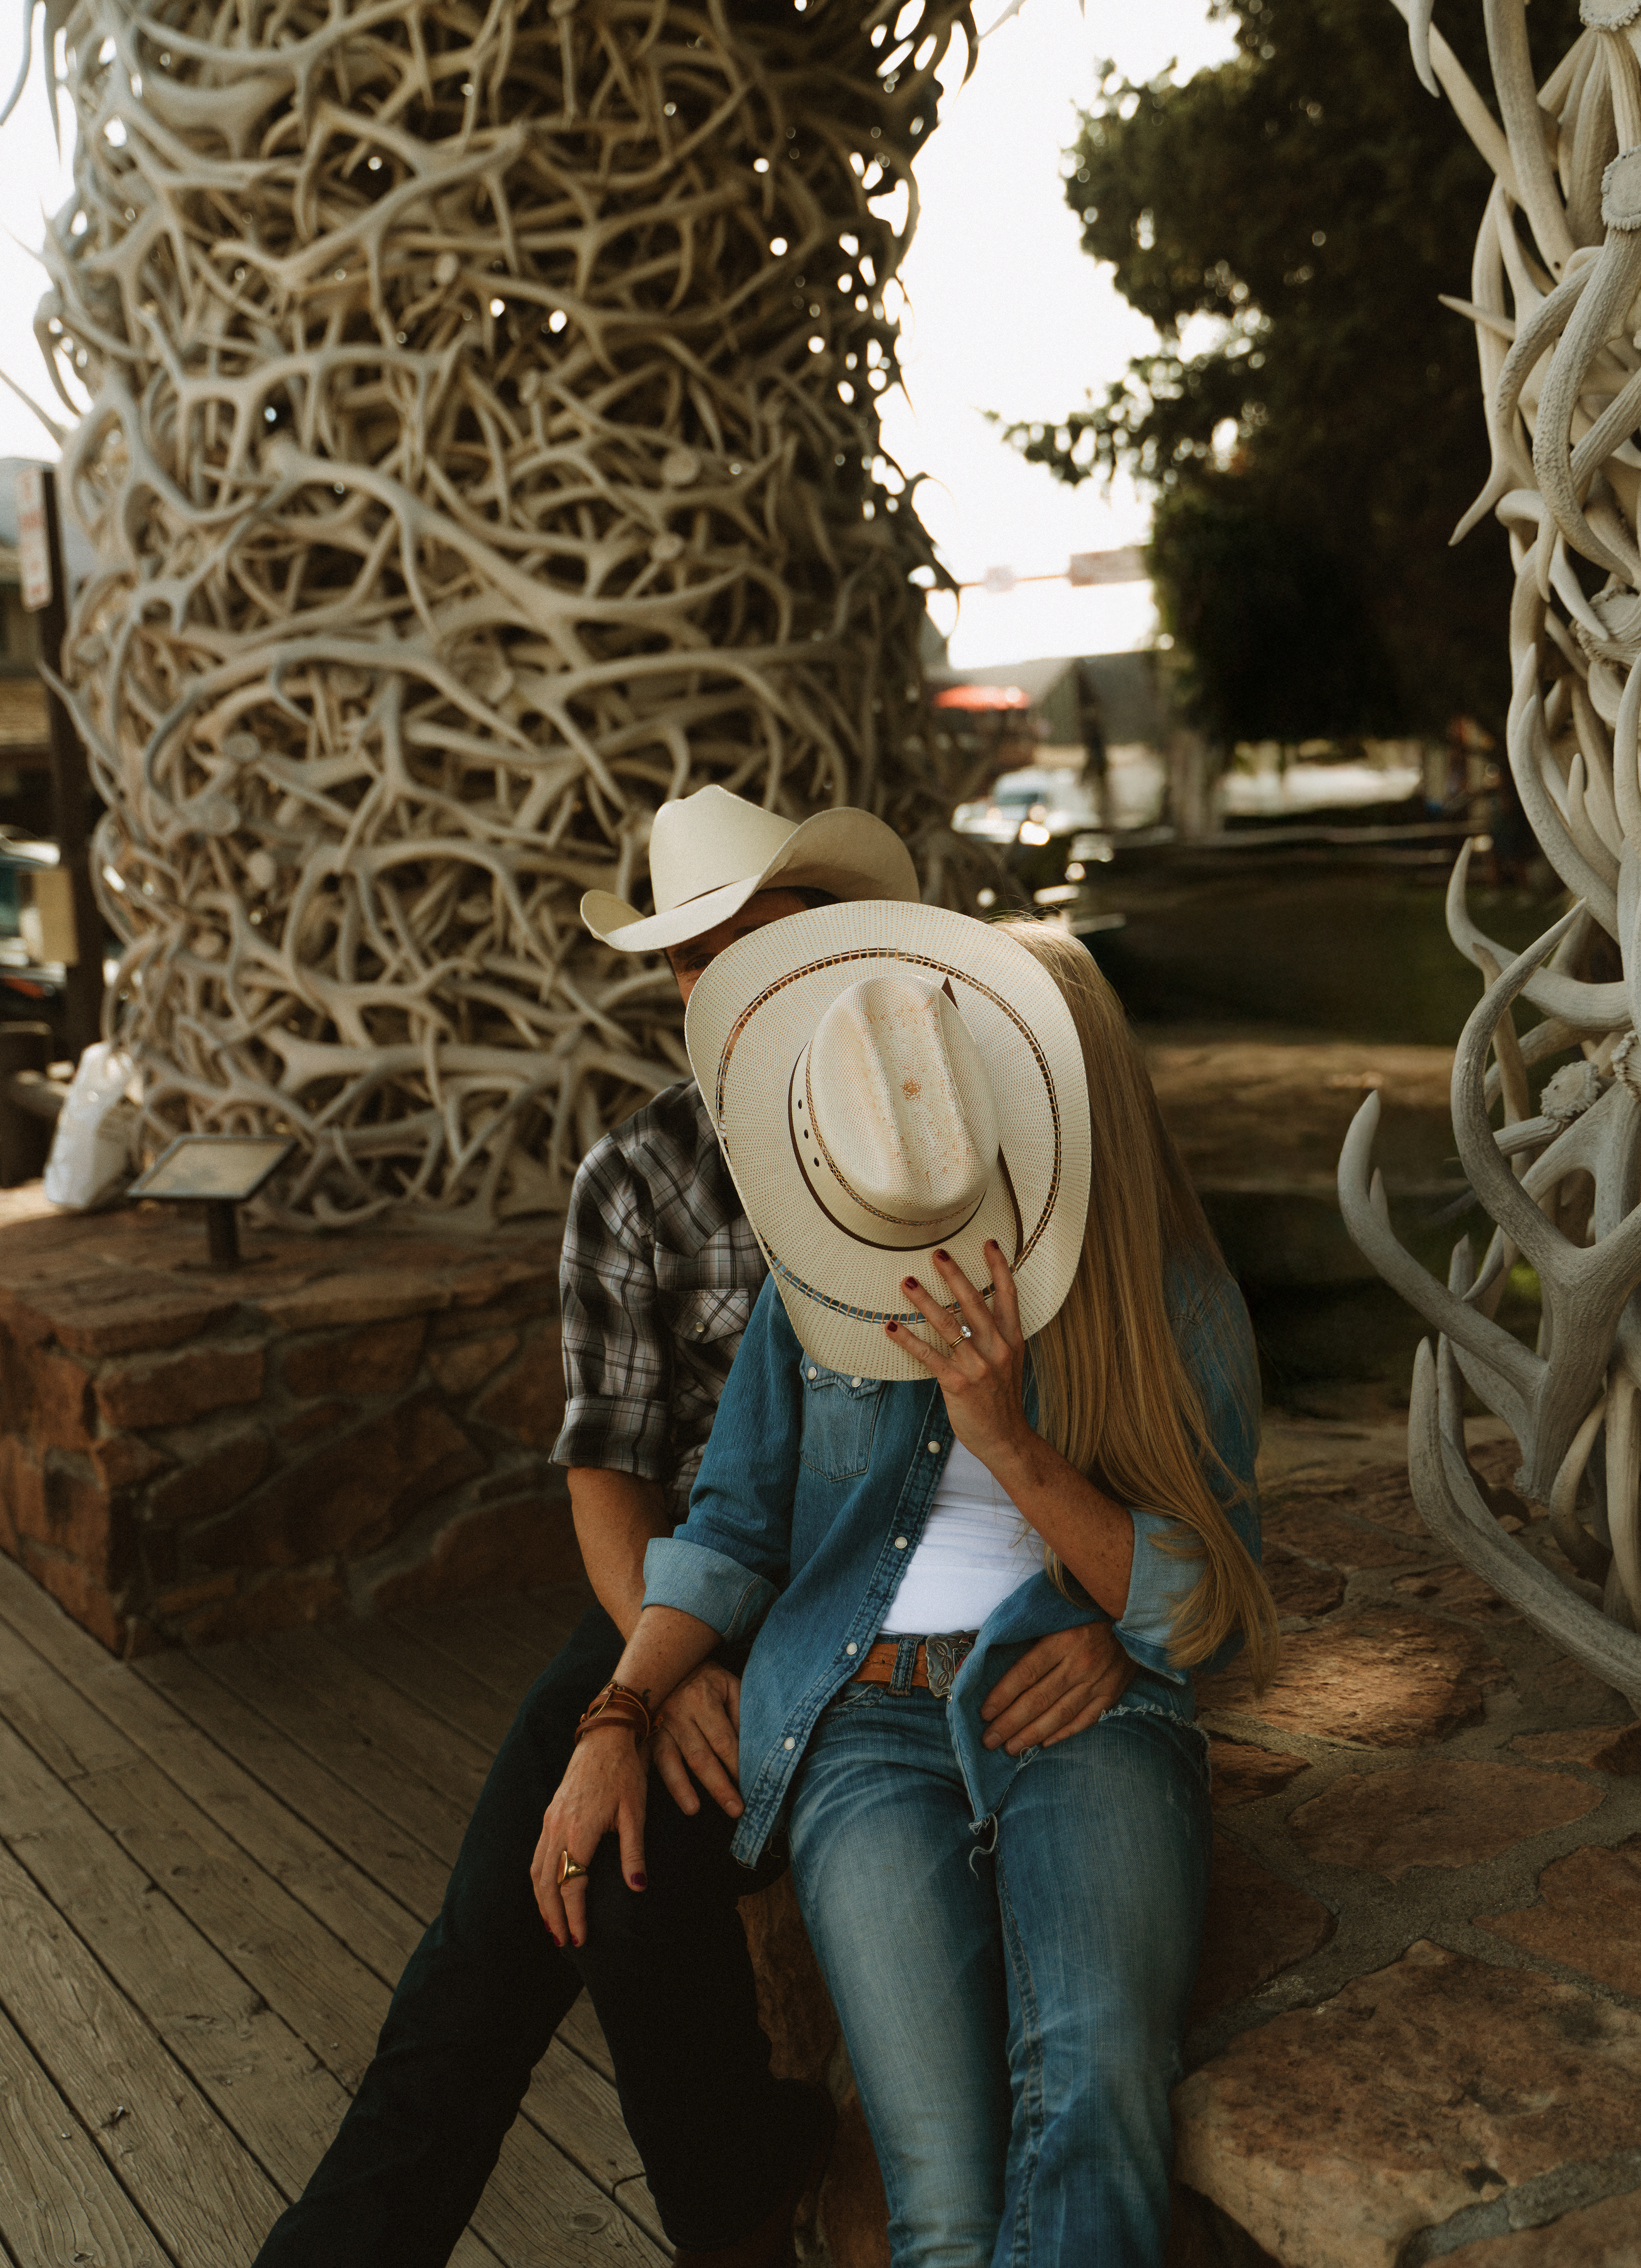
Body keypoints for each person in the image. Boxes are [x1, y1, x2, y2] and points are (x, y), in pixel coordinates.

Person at [255, 788, 1132, 2268]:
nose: (721, 980)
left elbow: (1107, 1417)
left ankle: (727, 2213)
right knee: (560, 1855)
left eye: (752, 939)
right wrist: (656, 1672)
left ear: (833, 936)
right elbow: (614, 1470)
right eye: (689, 958)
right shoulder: (638, 1178)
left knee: (611, 1857)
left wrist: (1105, 1599)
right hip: (704, 1595)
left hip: (899, 1598)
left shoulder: (954, 1130)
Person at [532, 902, 1281, 2268]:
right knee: (940, 2194)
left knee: (1095, 2106)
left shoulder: (1175, 1303)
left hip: (1081, 1706)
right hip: (862, 1717)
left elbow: (1204, 1608)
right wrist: (617, 1713)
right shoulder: (822, 1286)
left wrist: (1013, 1448)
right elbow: (731, 1528)